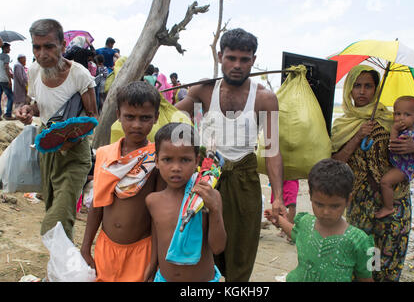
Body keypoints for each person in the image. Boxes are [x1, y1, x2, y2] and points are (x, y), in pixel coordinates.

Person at [175, 28, 285, 282]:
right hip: (204, 178)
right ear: (219, 56)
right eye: (231, 58)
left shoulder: (265, 98)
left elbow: (272, 150)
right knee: (202, 251)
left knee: (240, 255)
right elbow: (173, 122)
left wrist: (277, 196)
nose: (237, 65)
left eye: (244, 60)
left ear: (253, 61)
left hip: (244, 181)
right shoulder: (203, 91)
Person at [331, 65, 414, 282]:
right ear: (348, 90)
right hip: (360, 205)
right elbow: (335, 163)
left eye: (368, 86)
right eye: (357, 86)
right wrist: (357, 136)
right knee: (362, 260)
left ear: (376, 89)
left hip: (395, 204)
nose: (362, 91)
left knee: (389, 260)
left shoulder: (394, 120)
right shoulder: (342, 125)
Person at [15, 18, 98, 240]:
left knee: (59, 216)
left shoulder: (79, 74)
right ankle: (62, 269)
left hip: (74, 154)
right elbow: (39, 106)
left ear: (62, 46)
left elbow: (92, 117)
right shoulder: (34, 71)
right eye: (37, 47)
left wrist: (71, 139)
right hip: (47, 151)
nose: (42, 53)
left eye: (49, 46)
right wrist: (27, 110)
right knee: (54, 207)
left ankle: (62, 265)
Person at [81, 81, 162, 282]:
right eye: (129, 117)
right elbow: (97, 204)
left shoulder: (157, 159)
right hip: (105, 248)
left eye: (145, 118)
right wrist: (85, 248)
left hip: (141, 251)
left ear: (156, 118)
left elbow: (158, 215)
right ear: (118, 115)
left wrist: (154, 261)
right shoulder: (105, 155)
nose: (136, 124)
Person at [265, 158, 374, 282]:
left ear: (348, 200)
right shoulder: (305, 222)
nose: (325, 212)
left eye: (334, 206)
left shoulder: (359, 241)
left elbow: (366, 278)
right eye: (319, 204)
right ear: (310, 195)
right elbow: (295, 233)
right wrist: (278, 219)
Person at [144, 122, 226, 282]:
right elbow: (157, 237)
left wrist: (214, 209)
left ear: (197, 161)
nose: (176, 167)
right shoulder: (153, 201)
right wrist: (152, 265)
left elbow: (218, 248)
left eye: (185, 160)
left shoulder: (207, 197)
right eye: (167, 159)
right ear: (156, 161)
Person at [377, 96, 414, 219]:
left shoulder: (408, 134)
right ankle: (390, 199)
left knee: (385, 182)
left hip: (404, 167)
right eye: (397, 114)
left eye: (407, 115)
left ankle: (388, 207)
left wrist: (393, 130)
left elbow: (394, 146)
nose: (401, 118)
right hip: (403, 165)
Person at [0, 42, 15, 120]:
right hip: (4, 79)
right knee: (11, 97)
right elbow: (5, 68)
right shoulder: (6, 56)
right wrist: (10, 80)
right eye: (8, 48)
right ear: (5, 48)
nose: (10, 49)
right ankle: (8, 115)